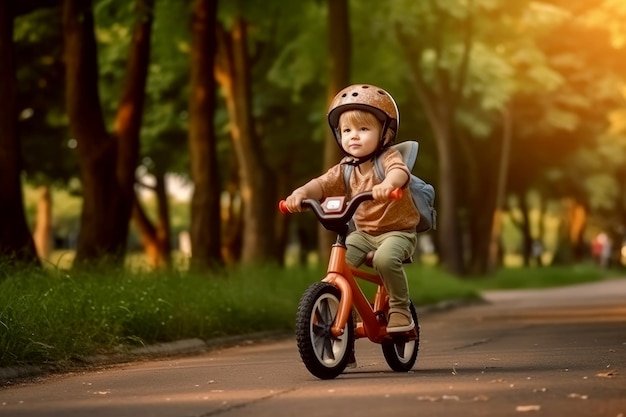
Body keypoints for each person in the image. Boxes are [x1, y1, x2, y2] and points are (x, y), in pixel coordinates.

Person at [284, 84, 420, 333]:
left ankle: (400, 308)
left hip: (397, 232)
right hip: (364, 234)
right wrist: (301, 194)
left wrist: (389, 184)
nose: (353, 135)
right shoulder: (345, 168)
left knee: (385, 259)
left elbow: (399, 172)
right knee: (339, 267)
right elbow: (321, 184)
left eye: (363, 129)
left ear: (385, 134)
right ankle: (344, 322)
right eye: (347, 130)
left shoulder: (388, 157)